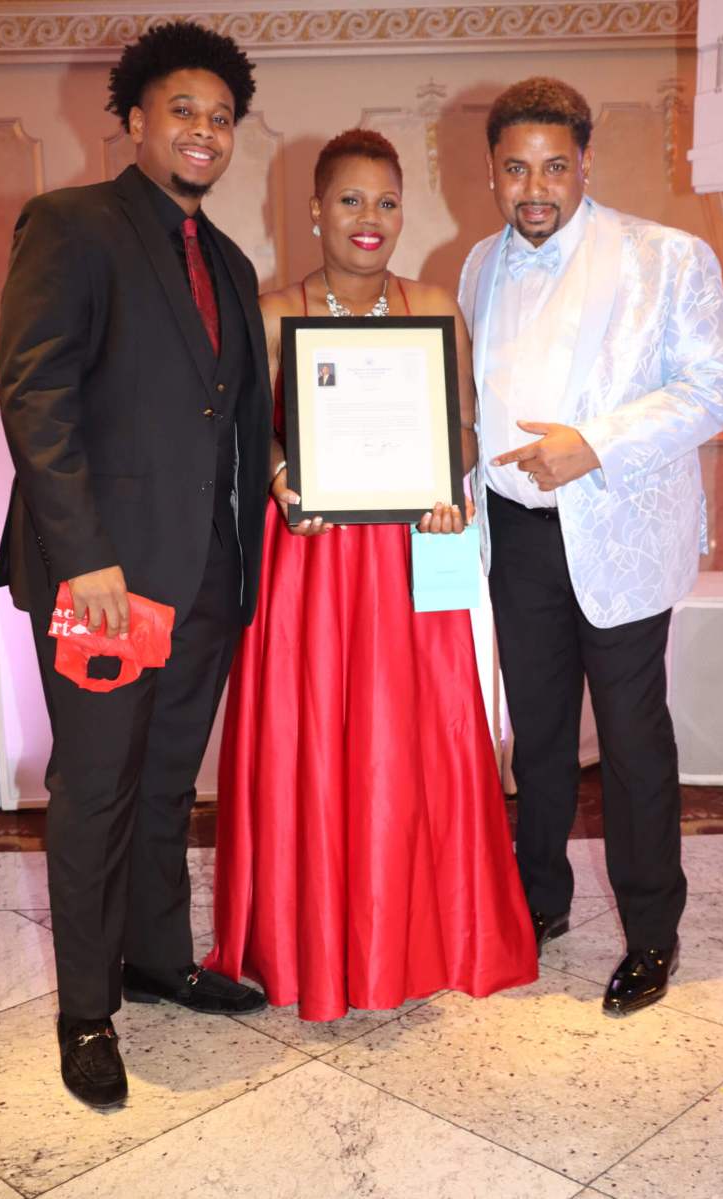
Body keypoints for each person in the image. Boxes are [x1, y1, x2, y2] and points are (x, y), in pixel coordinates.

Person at [0, 22, 272, 1108]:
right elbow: (39, 398)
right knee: (96, 787)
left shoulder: (231, 263)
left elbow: (233, 421)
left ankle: (158, 958)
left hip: (203, 577)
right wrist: (87, 559)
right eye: (183, 111)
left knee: (164, 782)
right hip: (104, 578)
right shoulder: (72, 225)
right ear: (135, 122)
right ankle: (85, 1008)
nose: (204, 131)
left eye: (221, 116)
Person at [204, 129, 538, 1022]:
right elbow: (252, 435)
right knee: (309, 737)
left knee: (411, 740)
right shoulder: (273, 313)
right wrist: (280, 477)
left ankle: (427, 936)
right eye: (350, 200)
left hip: (410, 548)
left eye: (387, 202)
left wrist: (450, 488)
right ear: (315, 210)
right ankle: (302, 939)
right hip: (307, 554)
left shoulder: (435, 305)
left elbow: (462, 427)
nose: (370, 220)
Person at [459, 78, 723, 1016]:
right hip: (515, 538)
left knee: (630, 743)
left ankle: (653, 933)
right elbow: (471, 405)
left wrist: (595, 444)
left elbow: (712, 391)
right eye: (515, 168)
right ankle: (540, 905)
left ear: (585, 162)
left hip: (618, 531)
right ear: (491, 172)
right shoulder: (474, 268)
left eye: (554, 166)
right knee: (536, 742)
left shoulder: (671, 258)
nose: (534, 187)